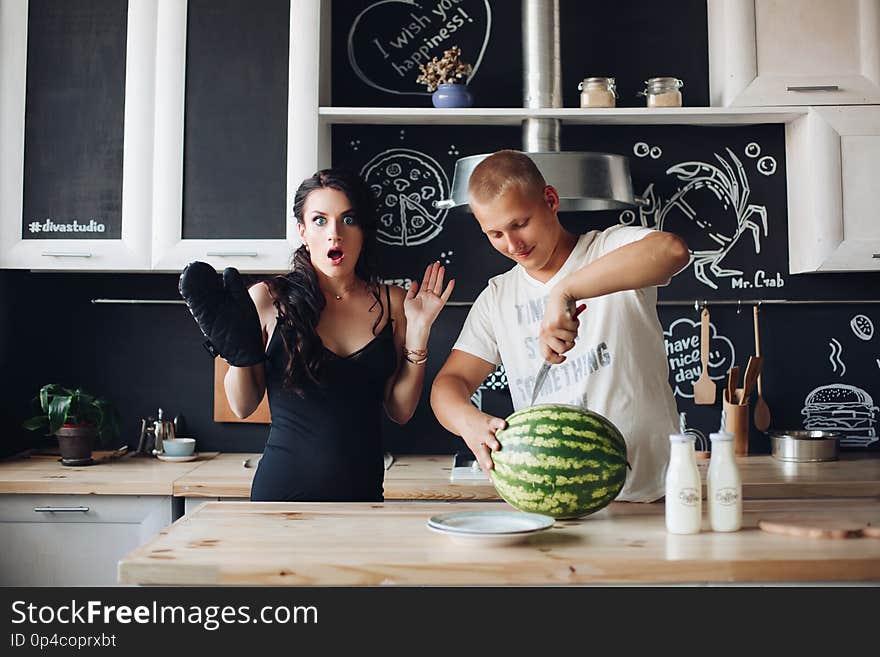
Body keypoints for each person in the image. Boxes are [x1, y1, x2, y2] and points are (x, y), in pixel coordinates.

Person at [430, 150, 690, 502]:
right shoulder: (497, 297)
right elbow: (449, 384)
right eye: (495, 234)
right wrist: (467, 421)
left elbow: (672, 250)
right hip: (553, 501)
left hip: (650, 493)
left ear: (550, 200)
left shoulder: (606, 248)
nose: (513, 244)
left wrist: (566, 291)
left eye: (520, 223)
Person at [180, 168, 454, 502]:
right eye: (320, 220)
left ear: (363, 232)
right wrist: (238, 354)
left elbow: (400, 411)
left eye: (348, 220)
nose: (334, 234)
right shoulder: (267, 299)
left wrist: (419, 334)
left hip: (363, 501)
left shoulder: (393, 303)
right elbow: (242, 405)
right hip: (280, 497)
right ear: (303, 231)